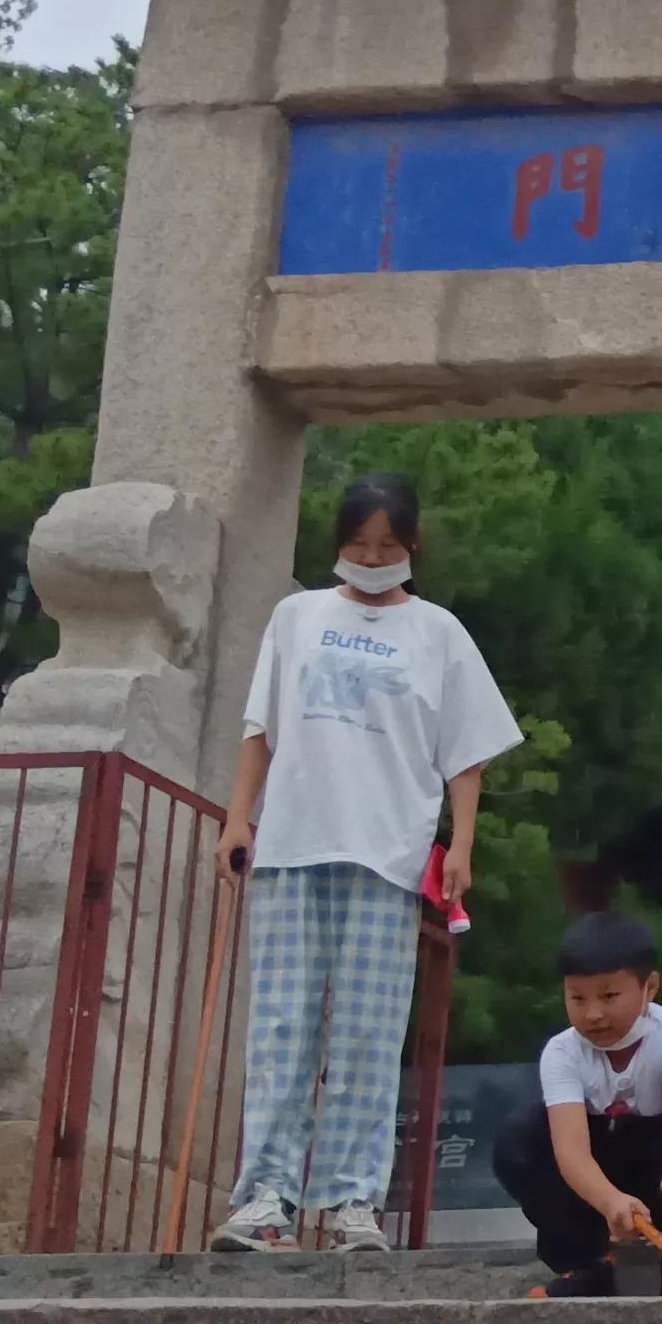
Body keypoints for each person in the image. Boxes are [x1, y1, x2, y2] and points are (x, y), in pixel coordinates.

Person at [212, 471, 521, 1254]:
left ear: (412, 546)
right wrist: (237, 816)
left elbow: (467, 755)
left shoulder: (440, 633)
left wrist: (461, 845)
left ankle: (353, 1201)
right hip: (291, 843)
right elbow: (261, 727)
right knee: (281, 1026)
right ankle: (266, 1199)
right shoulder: (297, 617)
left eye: (387, 545)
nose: (373, 557)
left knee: (368, 1033)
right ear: (338, 544)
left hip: (385, 851)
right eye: (358, 544)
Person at [494, 906, 662, 1293]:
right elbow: (571, 1151)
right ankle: (589, 1260)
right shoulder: (562, 1052)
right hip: (598, 1178)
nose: (593, 1014)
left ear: (649, 987)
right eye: (577, 998)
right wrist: (611, 1201)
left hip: (659, 1171)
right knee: (520, 1139)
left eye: (609, 996)